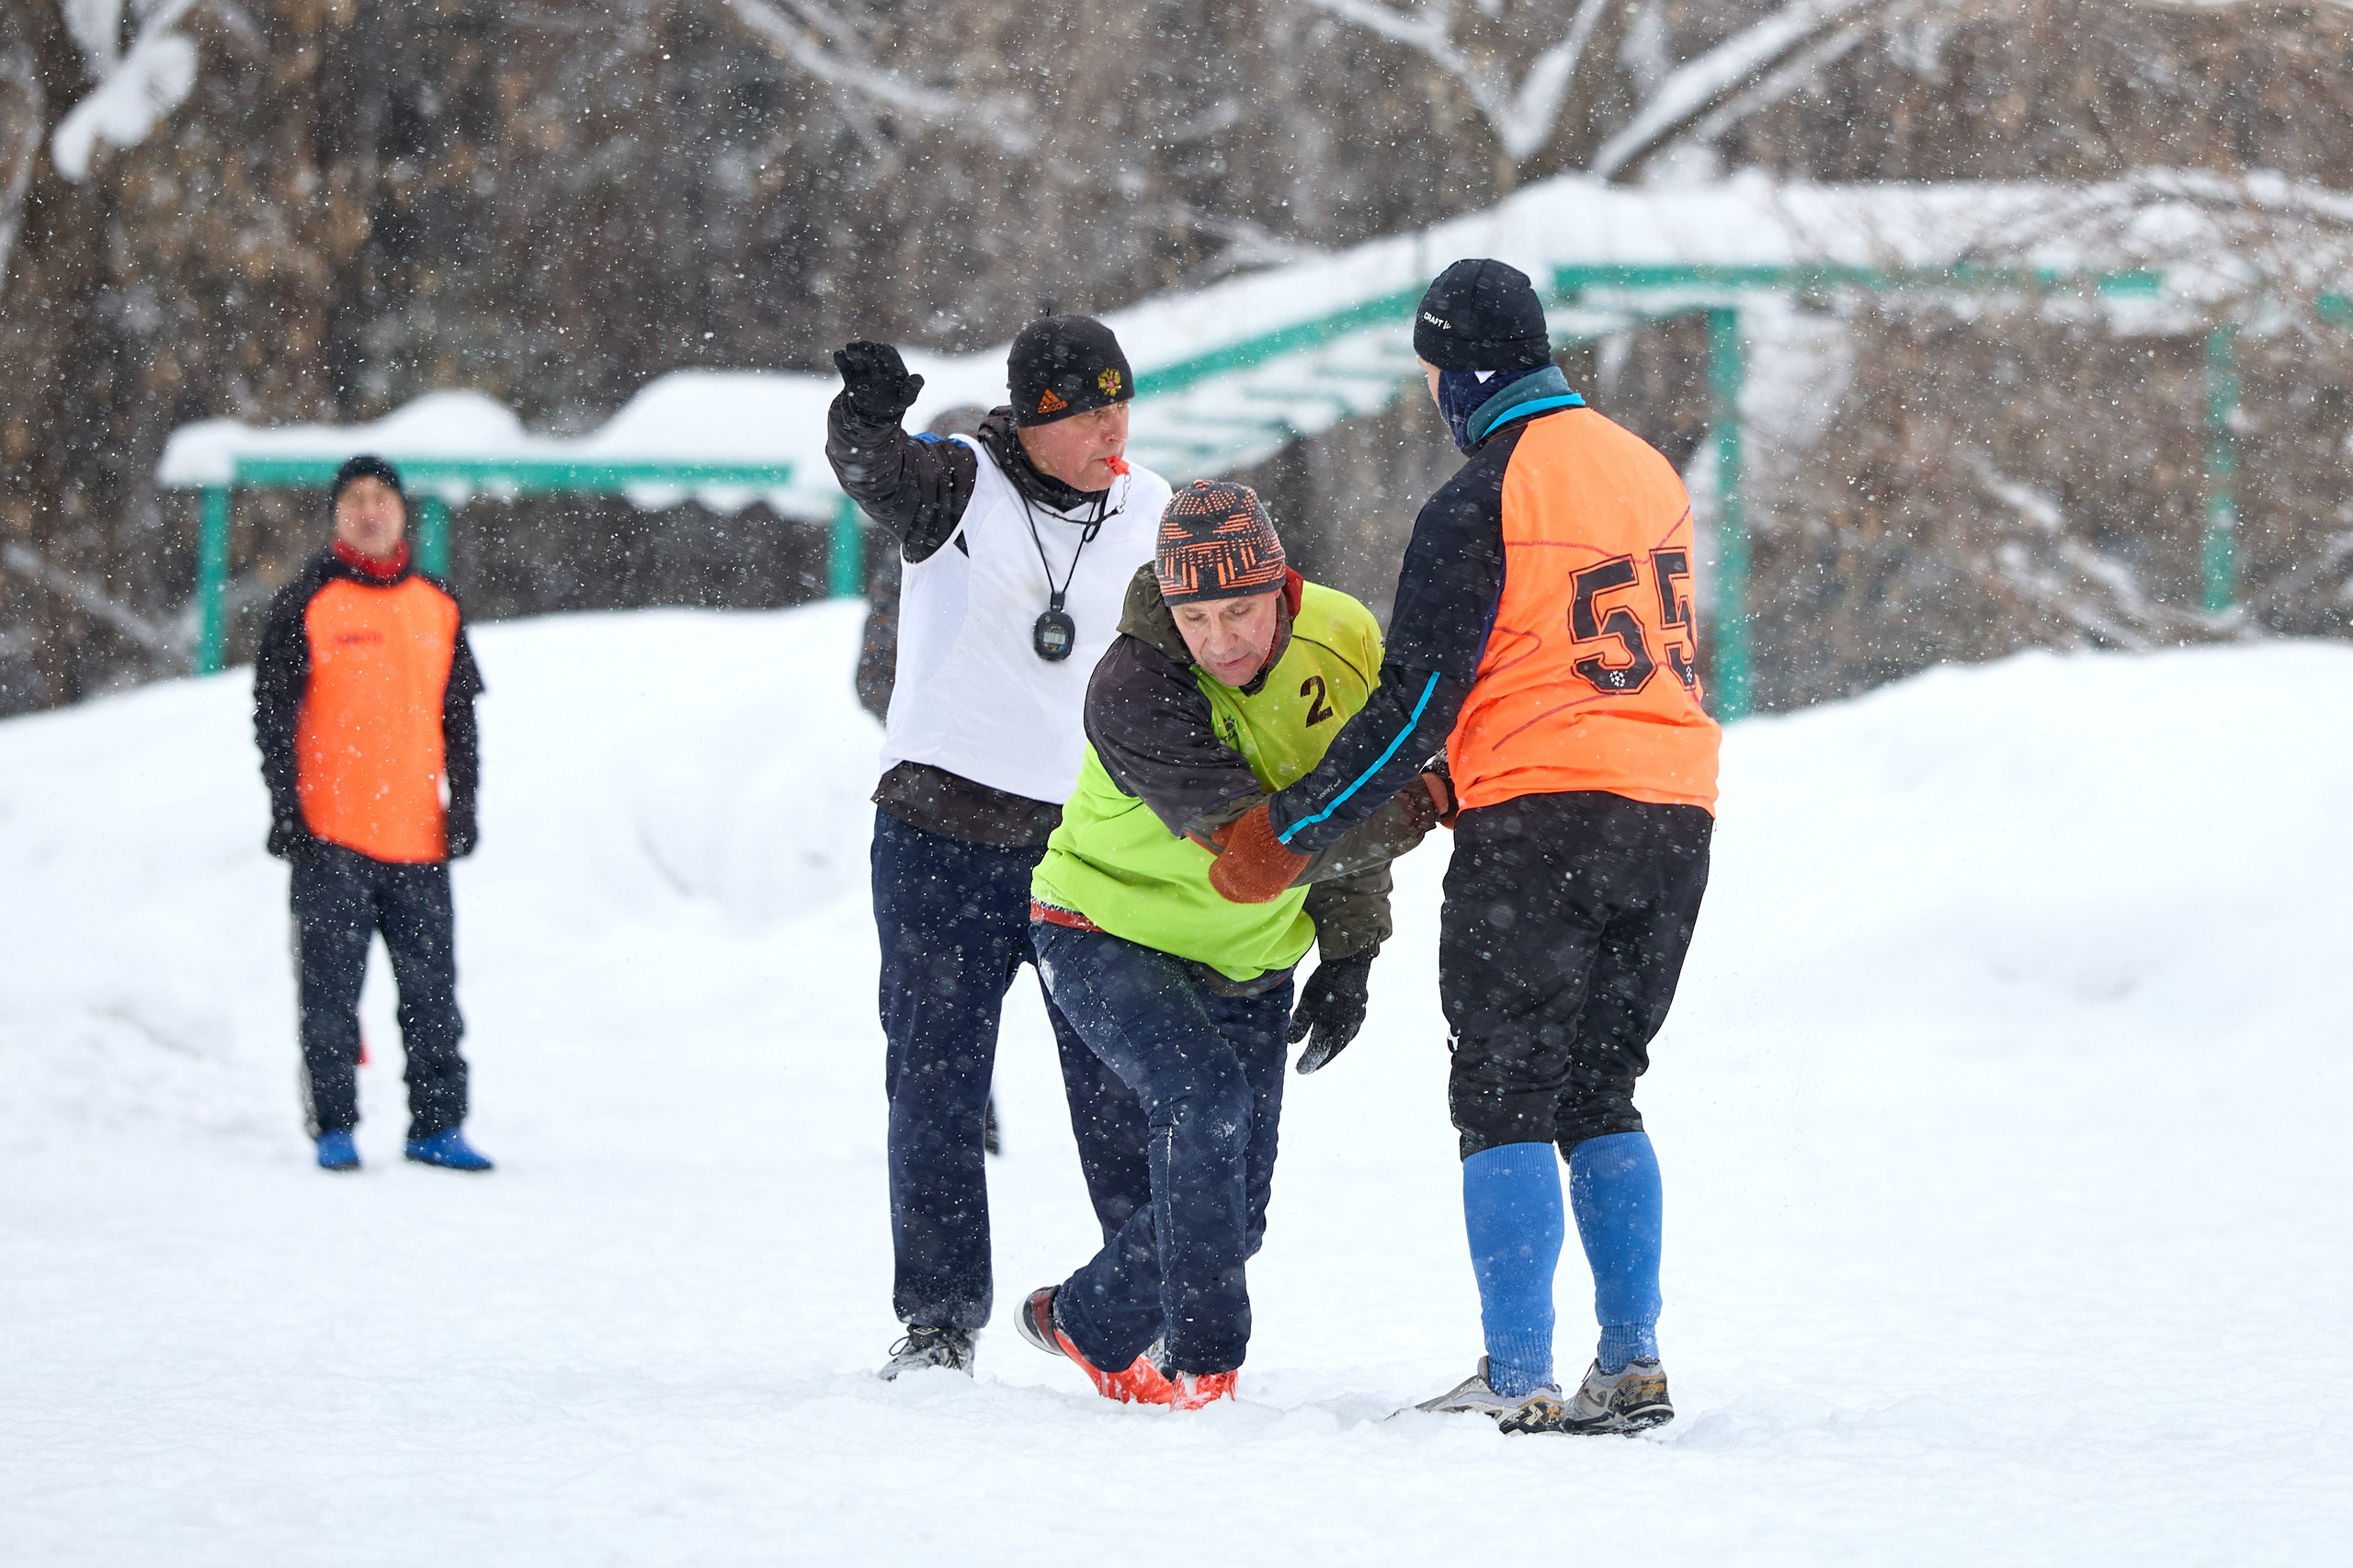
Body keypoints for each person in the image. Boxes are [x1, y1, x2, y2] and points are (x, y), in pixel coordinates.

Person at [1208, 259, 1722, 1435]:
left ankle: (1515, 1369)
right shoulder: (1643, 465)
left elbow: (1413, 700)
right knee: (1605, 1085)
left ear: (1457, 375)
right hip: (1674, 806)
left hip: (1540, 819)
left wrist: (1289, 830)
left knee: (1502, 1094)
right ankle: (1631, 1359)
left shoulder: (1482, 494)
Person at [1015, 481, 1442, 1409]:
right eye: (1195, 614)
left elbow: (1344, 783)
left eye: (1240, 609)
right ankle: (1208, 1375)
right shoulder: (1134, 686)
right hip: (1103, 926)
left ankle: (1082, 1321)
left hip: (1248, 958)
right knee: (1202, 1104)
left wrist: (1352, 953)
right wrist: (1424, 802)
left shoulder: (1344, 636)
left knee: (1234, 1217)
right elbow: (1262, 856)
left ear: (1281, 585)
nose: (1220, 639)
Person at [826, 316, 1172, 1380]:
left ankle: (1131, 1312)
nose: (1115, 424)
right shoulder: (956, 483)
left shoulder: (1154, 506)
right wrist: (867, 416)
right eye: (1088, 408)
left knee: (1117, 1081)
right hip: (940, 831)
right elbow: (872, 470)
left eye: (1122, 401)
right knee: (936, 1082)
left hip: (1085, 840)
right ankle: (938, 1320)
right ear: (1034, 415)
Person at [253, 454, 494, 1175]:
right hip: (331, 837)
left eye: (381, 497)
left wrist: (465, 804)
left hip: (417, 837)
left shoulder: (437, 602)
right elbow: (272, 716)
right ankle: (335, 1126)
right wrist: (285, 809)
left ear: (401, 511)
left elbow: (461, 718)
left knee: (432, 998)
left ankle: (437, 1125)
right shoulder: (307, 602)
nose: (369, 510)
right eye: (355, 498)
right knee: (330, 998)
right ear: (336, 514)